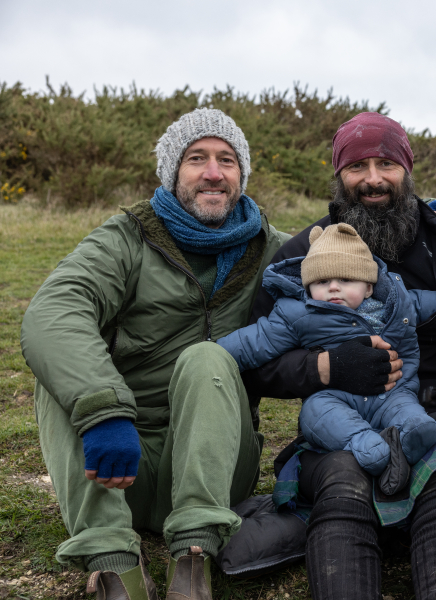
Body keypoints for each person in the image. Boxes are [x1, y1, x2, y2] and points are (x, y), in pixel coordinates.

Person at [20, 108, 292, 600]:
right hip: (115, 463)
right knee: (59, 377)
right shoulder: (128, 237)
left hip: (218, 469)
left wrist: (434, 224)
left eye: (227, 160)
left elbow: (352, 271)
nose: (213, 172)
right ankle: (113, 564)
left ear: (242, 174)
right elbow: (54, 311)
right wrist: (104, 412)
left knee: (207, 357)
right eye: (196, 158)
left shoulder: (274, 251)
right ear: (172, 171)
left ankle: (193, 556)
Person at [241, 111, 436, 599]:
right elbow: (257, 363)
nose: (372, 179)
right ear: (338, 175)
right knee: (343, 482)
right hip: (339, 428)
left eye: (386, 164)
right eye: (356, 166)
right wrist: (325, 368)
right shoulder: (303, 255)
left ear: (407, 169)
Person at [217, 222, 436, 494]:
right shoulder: (297, 314)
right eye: (322, 282)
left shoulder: (397, 303)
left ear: (369, 287)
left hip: (393, 392)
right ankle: (365, 443)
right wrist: (214, 354)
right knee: (316, 413)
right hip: (334, 395)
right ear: (308, 286)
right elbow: (255, 340)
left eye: (346, 280)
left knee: (414, 418)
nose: (334, 288)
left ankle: (409, 438)